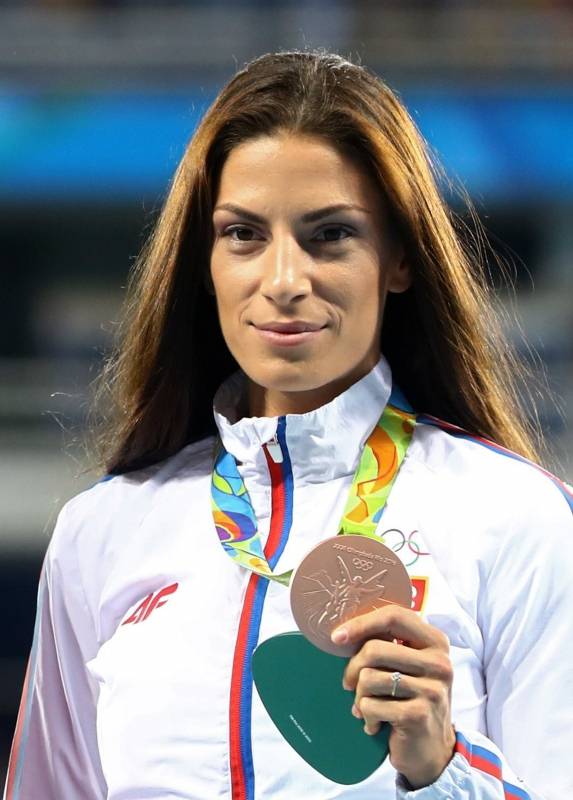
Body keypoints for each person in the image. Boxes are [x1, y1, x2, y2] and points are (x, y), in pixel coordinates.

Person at [4, 50, 572, 800]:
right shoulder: (101, 532)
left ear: (398, 256)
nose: (281, 281)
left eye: (329, 234)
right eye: (242, 234)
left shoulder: (514, 518)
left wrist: (440, 770)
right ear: (201, 259)